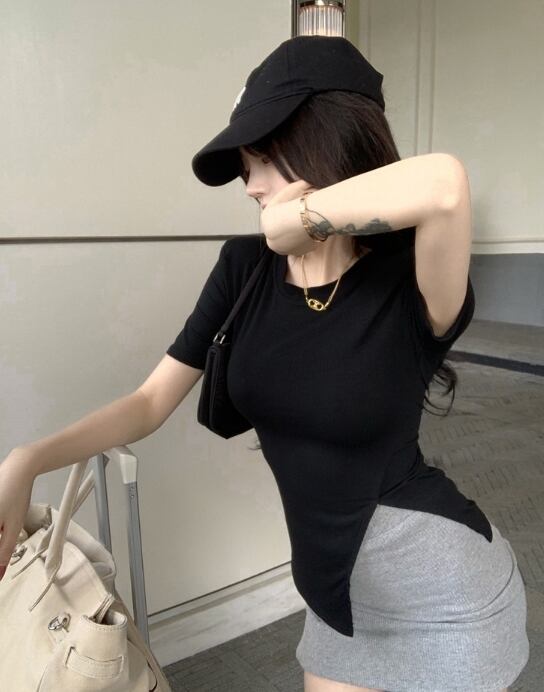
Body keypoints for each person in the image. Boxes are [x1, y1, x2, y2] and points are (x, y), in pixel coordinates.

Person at [0, 36, 529, 692]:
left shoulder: (411, 278)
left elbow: (445, 184)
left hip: (444, 597)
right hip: (336, 603)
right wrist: (27, 461)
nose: (248, 185)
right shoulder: (243, 268)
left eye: (262, 158)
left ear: (327, 140)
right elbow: (148, 404)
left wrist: (305, 219)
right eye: (244, 166)